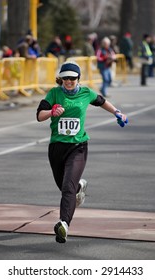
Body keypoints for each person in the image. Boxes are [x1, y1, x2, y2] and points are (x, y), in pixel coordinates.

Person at [36, 61, 128, 243]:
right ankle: (80, 187)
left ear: (78, 79)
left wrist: (117, 112)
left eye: (72, 78)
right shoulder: (54, 93)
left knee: (67, 188)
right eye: (65, 78)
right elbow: (39, 115)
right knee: (64, 186)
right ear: (61, 79)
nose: (69, 81)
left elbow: (102, 101)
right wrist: (51, 112)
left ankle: (64, 224)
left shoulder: (86, 93)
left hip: (78, 146)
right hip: (56, 147)